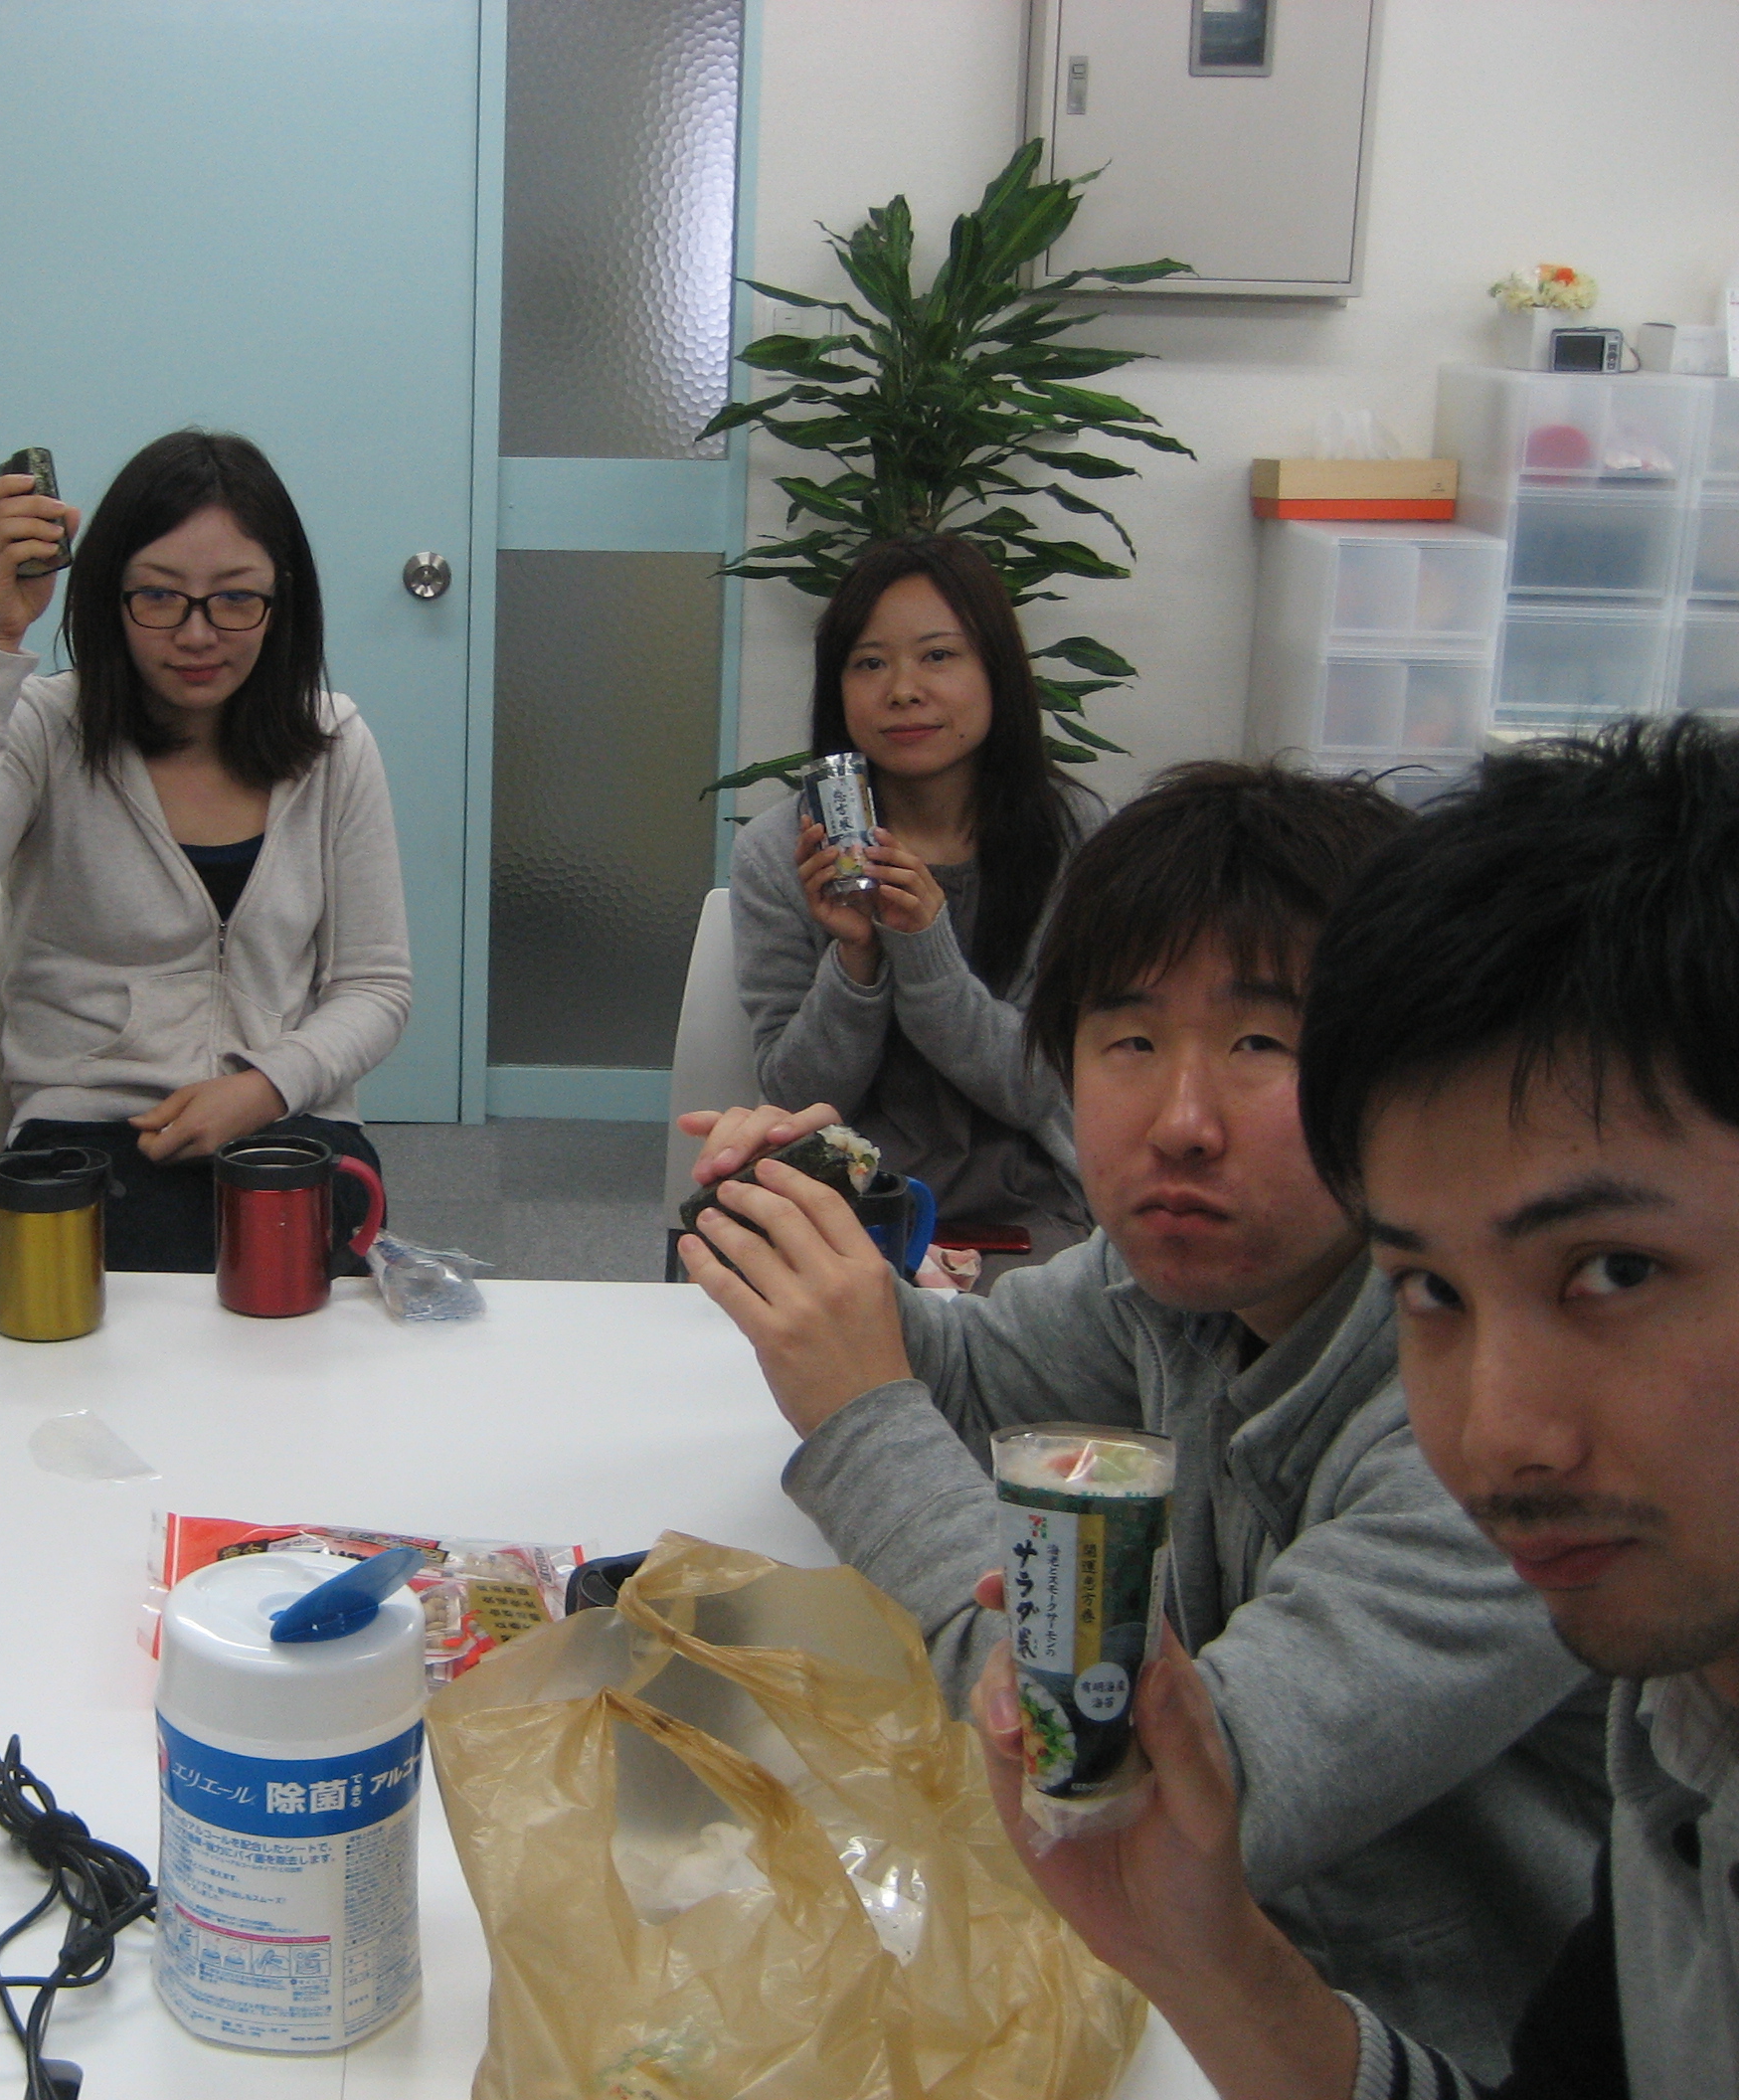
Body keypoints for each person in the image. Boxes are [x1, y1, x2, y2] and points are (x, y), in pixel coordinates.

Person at [678, 761, 1608, 2079]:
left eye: (1259, 1044)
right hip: (1197, 1983)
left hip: (1409, 2033)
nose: (1180, 1122)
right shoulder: (1181, 1278)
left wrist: (860, 1413)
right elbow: (978, 1381)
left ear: (1398, 1073)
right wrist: (824, 1237)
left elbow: (1119, 1797)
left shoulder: (1490, 1430)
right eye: (1128, 1041)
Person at [968, 719, 1739, 2098]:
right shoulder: (1682, 1720)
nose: (1497, 1439)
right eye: (1429, 1290)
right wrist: (1206, 1956)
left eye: (1612, 1273)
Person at [0, 430, 412, 1272]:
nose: (197, 634)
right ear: (108, 594)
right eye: (159, 596)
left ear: (283, 600)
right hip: (89, 1126)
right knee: (166, 1288)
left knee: (298, 1290)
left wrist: (263, 1087)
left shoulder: (332, 743)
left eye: (235, 599)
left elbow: (376, 986)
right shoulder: (47, 728)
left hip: (286, 1115)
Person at [732, 535, 1104, 1270]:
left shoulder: (1077, 839)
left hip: (1033, 1214)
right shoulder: (783, 852)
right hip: (845, 1209)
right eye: (869, 663)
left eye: (938, 656)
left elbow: (1043, 1087)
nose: (902, 690)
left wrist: (926, 944)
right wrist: (856, 958)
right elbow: (798, 1097)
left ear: (997, 671)